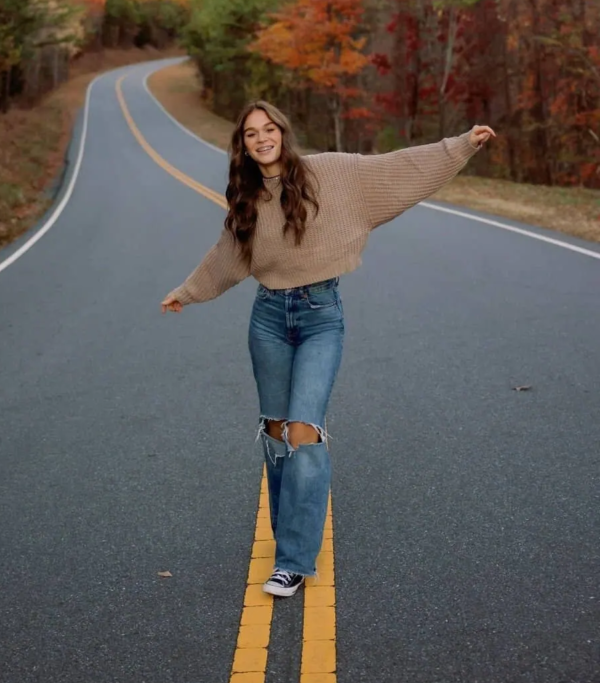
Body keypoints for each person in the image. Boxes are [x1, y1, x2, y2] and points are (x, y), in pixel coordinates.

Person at [161, 101, 495, 598]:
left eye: (268, 128)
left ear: (282, 132)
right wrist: (186, 292)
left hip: (321, 315)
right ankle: (287, 547)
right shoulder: (248, 198)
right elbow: (227, 256)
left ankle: (294, 561)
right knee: (276, 436)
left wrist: (460, 146)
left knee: (304, 431)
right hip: (269, 319)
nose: (261, 138)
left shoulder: (331, 172)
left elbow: (398, 169)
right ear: (244, 145)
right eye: (251, 133)